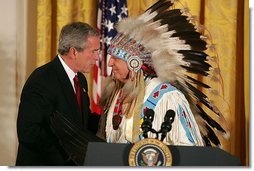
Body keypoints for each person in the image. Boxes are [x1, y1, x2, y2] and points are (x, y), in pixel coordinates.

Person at [97, 0, 229, 147]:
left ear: (134, 63)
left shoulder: (167, 97)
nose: (109, 63)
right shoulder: (118, 94)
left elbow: (188, 149)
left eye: (116, 58)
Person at [16, 22, 101, 166]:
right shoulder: (42, 79)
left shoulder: (80, 79)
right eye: (93, 51)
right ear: (74, 52)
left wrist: (112, 120)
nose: (97, 57)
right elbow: (29, 132)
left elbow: (81, 121)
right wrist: (68, 159)